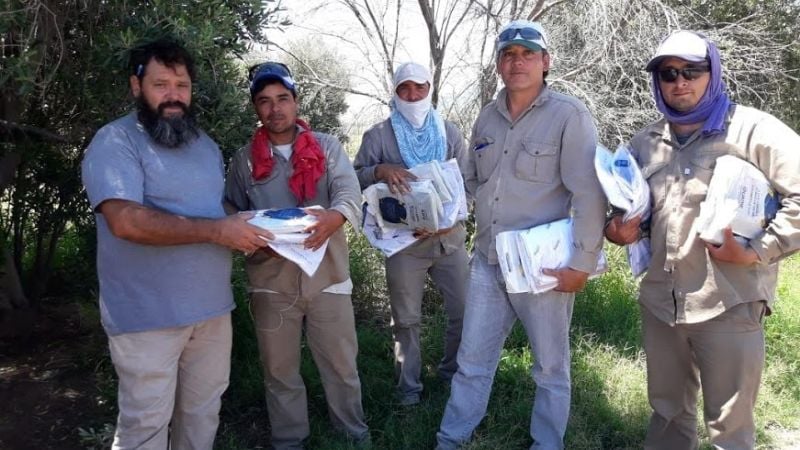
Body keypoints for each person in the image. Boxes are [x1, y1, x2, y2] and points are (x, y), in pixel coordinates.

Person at [604, 30, 800, 449]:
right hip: (661, 304)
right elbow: (627, 213)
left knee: (730, 428)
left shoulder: (754, 131)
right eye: (668, 73)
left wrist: (757, 250)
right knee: (667, 415)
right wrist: (618, 230)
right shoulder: (644, 143)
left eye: (691, 71)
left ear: (713, 71)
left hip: (729, 302)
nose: (680, 82)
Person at [81, 39, 270, 450]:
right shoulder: (115, 141)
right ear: (137, 86)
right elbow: (125, 221)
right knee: (145, 428)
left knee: (202, 416)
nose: (173, 95)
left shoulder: (205, 146)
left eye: (182, 85)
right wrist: (218, 231)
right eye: (161, 84)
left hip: (212, 312)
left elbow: (211, 210)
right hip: (146, 317)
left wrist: (250, 228)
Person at [435, 20, 606, 449]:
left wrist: (581, 264)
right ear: (498, 64)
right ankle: (450, 439)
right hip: (488, 261)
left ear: (546, 61)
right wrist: (441, 209)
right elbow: (472, 182)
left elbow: (588, 193)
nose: (518, 62)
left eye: (528, 53)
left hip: (542, 268)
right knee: (472, 361)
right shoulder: (487, 117)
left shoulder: (569, 115)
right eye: (508, 54)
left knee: (550, 368)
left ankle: (547, 444)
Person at [224, 62, 369, 449]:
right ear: (256, 107)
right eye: (265, 101)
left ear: (296, 101)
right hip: (271, 283)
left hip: (328, 277)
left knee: (341, 365)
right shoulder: (244, 160)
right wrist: (247, 234)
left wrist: (334, 218)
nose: (275, 109)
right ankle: (289, 440)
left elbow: (349, 192)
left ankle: (353, 436)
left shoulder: (327, 146)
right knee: (279, 370)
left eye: (282, 98)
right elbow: (230, 209)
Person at [353, 62, 469, 406]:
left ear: (430, 88)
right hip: (403, 243)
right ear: (395, 91)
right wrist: (380, 169)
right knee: (405, 319)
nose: (413, 95)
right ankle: (409, 390)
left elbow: (468, 185)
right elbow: (353, 176)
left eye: (420, 87)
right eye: (405, 88)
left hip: (449, 239)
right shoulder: (379, 135)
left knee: (464, 311)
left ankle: (451, 376)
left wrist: (449, 221)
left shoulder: (449, 132)